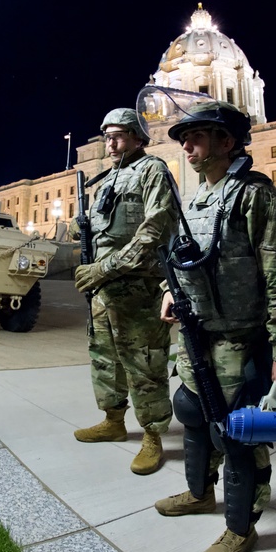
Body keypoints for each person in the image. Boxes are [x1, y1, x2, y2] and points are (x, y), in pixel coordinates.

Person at [154, 100, 276, 552]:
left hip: (239, 337)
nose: (186, 145)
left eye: (196, 136)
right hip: (198, 333)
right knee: (190, 408)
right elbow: (181, 257)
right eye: (183, 138)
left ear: (227, 141)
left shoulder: (253, 194)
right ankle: (199, 493)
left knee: (237, 432)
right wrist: (167, 290)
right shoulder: (196, 198)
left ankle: (241, 527)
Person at [72, 107, 179, 475]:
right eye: (107, 136)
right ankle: (114, 421)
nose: (111, 142)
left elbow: (154, 231)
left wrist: (103, 268)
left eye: (118, 135)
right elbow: (106, 231)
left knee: (144, 363)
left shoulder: (152, 171)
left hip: (139, 289)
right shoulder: (108, 179)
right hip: (104, 292)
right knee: (105, 358)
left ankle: (152, 436)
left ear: (138, 137)